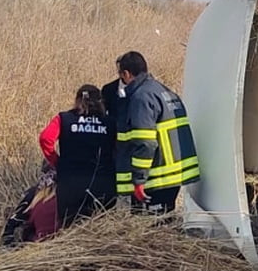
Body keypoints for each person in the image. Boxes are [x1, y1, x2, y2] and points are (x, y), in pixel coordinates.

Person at [114, 51, 200, 212]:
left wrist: (139, 181)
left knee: (149, 229)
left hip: (156, 180)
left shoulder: (141, 98)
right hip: (172, 177)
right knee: (164, 223)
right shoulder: (162, 90)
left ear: (126, 74)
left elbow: (145, 142)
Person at [39, 84, 116, 227]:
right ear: (101, 102)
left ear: (77, 100)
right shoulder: (111, 122)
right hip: (103, 183)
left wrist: (56, 162)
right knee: (102, 228)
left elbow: (45, 138)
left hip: (70, 183)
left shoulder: (64, 118)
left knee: (70, 229)